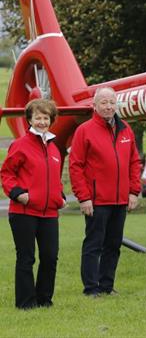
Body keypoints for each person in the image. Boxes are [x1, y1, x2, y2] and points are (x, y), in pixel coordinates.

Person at [69, 87, 141, 296]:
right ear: (95, 105)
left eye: (112, 102)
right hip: (97, 200)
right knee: (94, 245)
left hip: (120, 200)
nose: (109, 106)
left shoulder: (125, 128)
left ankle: (107, 286)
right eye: (104, 102)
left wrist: (134, 192)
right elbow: (76, 166)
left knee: (113, 245)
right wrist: (84, 198)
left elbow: (134, 162)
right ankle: (91, 288)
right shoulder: (84, 130)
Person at [1, 99, 65, 309]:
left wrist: (61, 196)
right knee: (26, 259)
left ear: (51, 120)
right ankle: (26, 303)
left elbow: (52, 178)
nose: (42, 121)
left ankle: (44, 300)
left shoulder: (55, 148)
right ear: (30, 119)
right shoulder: (20, 145)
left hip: (49, 214)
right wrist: (18, 194)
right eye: (38, 117)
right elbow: (7, 174)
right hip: (24, 212)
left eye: (46, 117)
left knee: (50, 257)